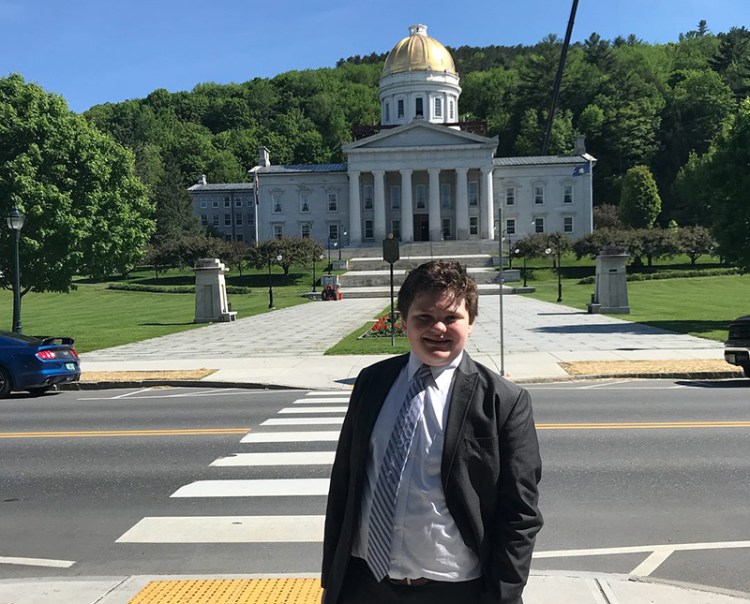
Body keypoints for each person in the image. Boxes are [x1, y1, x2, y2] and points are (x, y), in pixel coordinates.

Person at [321, 260, 543, 604]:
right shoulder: (372, 382)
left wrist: (504, 597)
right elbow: (345, 484)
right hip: (365, 583)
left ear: (470, 323)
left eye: (451, 318)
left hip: (453, 589)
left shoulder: (503, 400)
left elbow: (520, 515)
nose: (437, 328)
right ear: (403, 320)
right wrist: (332, 581)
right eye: (423, 317)